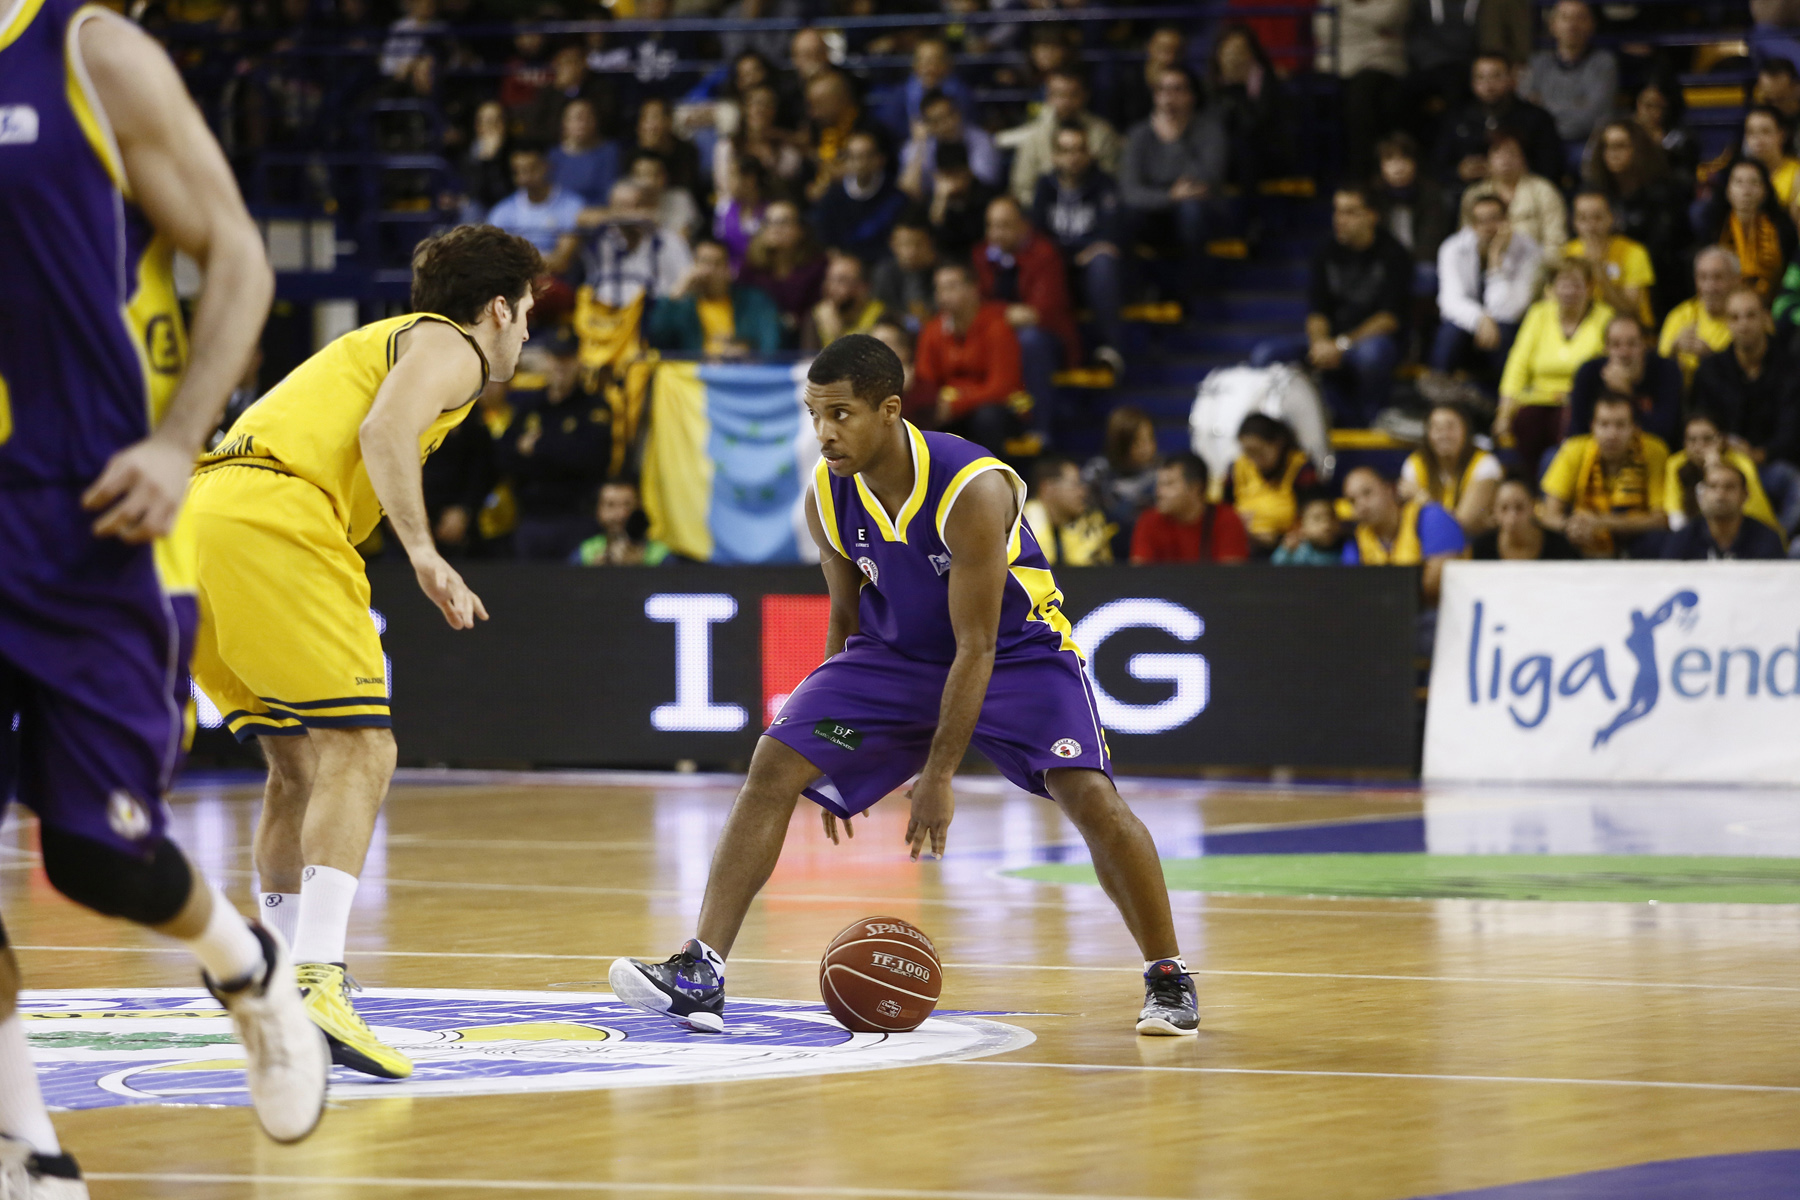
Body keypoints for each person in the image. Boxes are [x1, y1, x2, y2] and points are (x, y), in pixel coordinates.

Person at [609, 335, 1201, 1036]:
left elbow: (977, 645)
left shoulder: (970, 488)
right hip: (896, 657)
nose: (824, 433)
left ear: (889, 410)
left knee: (1090, 798)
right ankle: (700, 971)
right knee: (774, 763)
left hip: (1016, 654)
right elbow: (845, 616)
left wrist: (939, 775)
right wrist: (829, 751)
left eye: (841, 414)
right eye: (814, 415)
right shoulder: (827, 494)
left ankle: (1168, 976)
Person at [0, 0, 329, 1170]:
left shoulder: (85, 50)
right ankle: (28, 1151)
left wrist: (177, 440)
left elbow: (236, 254)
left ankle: (247, 970)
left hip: (86, 514)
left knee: (98, 856)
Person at [189, 225, 539, 1080]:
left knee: (297, 768)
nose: (527, 332)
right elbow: (386, 430)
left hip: (202, 515)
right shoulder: (449, 343)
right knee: (364, 747)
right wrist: (423, 552)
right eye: (528, 313)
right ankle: (317, 979)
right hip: (278, 514)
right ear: (497, 308)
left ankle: (277, 978)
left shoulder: (379, 342)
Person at [1251, 186, 1412, 425]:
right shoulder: (1325, 251)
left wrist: (1341, 345)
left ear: (1371, 216)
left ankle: (1371, 420)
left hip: (1371, 341)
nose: (1340, 219)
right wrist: (1320, 343)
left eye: (1350, 212)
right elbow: (1317, 311)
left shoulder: (1394, 254)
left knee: (1373, 354)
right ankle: (1282, 427)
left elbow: (1389, 318)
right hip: (1332, 341)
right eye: (1337, 211)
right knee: (1266, 354)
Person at [498, 328, 615, 558]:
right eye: (555, 358)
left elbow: (591, 459)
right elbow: (504, 455)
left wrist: (536, 448)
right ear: (546, 361)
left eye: (567, 359)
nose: (561, 366)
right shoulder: (530, 405)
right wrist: (560, 449)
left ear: (578, 363)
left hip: (576, 517)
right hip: (531, 516)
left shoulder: (593, 407)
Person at [1496, 256, 1612, 475]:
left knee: (1567, 429)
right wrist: (1504, 413)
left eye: (1576, 284)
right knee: (1524, 424)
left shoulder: (1605, 317)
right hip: (1536, 400)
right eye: (1563, 284)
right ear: (1553, 288)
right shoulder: (1538, 314)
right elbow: (1517, 365)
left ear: (1590, 287)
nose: (1569, 291)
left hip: (1580, 403)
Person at [1119, 66, 1228, 295]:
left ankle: (1194, 291)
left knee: (1191, 210)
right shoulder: (1139, 134)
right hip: (1154, 212)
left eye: (1177, 90)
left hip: (1199, 213)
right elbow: (1130, 191)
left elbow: (1206, 179)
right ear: (1155, 96)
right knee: (1125, 215)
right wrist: (1170, 195)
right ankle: (1142, 290)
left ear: (1192, 96)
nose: (1169, 98)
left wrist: (1175, 140)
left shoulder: (1209, 130)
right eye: (1163, 90)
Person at [1031, 122, 1127, 371]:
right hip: (1057, 267)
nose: (1072, 157)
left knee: (1103, 261)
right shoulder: (1045, 186)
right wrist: (1076, 253)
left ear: (1089, 153)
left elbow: (1110, 235)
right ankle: (1055, 352)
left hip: (1091, 272)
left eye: (1079, 150)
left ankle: (1109, 348)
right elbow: (1038, 236)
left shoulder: (1104, 184)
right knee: (1039, 260)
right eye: (1065, 150)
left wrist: (1075, 251)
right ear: (1055, 156)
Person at [974, 196, 1080, 418]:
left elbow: (1041, 312)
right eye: (991, 226)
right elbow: (975, 307)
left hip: (1048, 338)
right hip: (999, 333)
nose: (996, 233)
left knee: (1029, 339)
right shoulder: (981, 255)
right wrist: (1004, 314)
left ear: (1024, 225)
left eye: (1004, 226)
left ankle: (1041, 427)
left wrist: (994, 314)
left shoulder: (1044, 253)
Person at [915, 261, 1030, 456]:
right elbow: (925, 379)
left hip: (996, 408)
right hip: (950, 409)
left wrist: (956, 405)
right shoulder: (932, 331)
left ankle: (993, 473)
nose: (943, 295)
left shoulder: (996, 327)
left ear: (973, 289)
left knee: (988, 417)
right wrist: (933, 404)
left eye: (951, 287)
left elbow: (1002, 387)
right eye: (939, 289)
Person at [1582, 118, 1691, 316]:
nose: (1612, 153)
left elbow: (1662, 251)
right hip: (1606, 267)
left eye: (1620, 146)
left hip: (1651, 277)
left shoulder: (1662, 193)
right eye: (1607, 147)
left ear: (1639, 149)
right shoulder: (1596, 192)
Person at [1538, 394, 1670, 557]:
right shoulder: (1574, 450)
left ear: (1635, 428)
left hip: (1635, 538)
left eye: (1620, 425)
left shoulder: (1654, 451)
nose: (1612, 434)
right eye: (1604, 424)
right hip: (1582, 538)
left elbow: (1661, 520)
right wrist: (1571, 527)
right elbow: (1549, 515)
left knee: (1658, 539)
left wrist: (1602, 523)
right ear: (1592, 426)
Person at [1432, 193, 1541, 385]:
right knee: (1450, 332)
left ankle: (1502, 394)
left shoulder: (1529, 250)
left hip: (1507, 325)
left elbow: (1511, 310)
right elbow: (1450, 301)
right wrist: (1481, 319)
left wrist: (1495, 261)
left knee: (1504, 331)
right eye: (1481, 221)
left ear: (1507, 219)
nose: (1488, 227)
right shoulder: (1452, 248)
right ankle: (1439, 389)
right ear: (1472, 225)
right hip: (1471, 322)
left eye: (1494, 219)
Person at [1691, 285, 1800, 474]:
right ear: (1726, 322)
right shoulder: (1711, 370)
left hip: (1775, 465)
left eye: (1750, 315)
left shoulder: (1791, 368)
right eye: (1735, 317)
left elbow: (1792, 432)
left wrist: (1756, 455)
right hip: (1722, 464)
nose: (1743, 324)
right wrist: (1724, 447)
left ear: (1765, 318)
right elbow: (1701, 419)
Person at [1436, 54, 1568, 191]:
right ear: (1472, 82)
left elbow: (1552, 167)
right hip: (1469, 192)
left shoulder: (1536, 118)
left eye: (1496, 76)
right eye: (1481, 77)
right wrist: (1459, 171)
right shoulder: (1458, 119)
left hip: (1526, 192)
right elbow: (1439, 166)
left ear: (1512, 78)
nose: (1488, 85)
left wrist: (1514, 170)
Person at [1340, 466, 1466, 605]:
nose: (1361, 505)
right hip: (1385, 613)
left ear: (1388, 490)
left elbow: (1435, 585)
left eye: (1367, 493)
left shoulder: (1431, 517)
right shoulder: (1355, 540)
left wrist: (1378, 590)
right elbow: (1352, 591)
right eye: (1352, 501)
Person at [1004, 67, 1123, 206]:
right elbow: (1022, 188)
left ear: (1085, 95)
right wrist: (1044, 207)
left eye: (1073, 94)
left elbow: (1111, 184)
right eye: (1059, 95)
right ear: (1048, 97)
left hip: (1092, 210)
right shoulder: (1034, 137)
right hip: (1042, 211)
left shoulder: (1103, 134)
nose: (1066, 102)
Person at [648, 236, 782, 359]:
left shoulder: (754, 301)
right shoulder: (682, 306)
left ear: (728, 269)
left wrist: (748, 350)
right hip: (695, 373)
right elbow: (657, 339)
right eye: (704, 262)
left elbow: (772, 342)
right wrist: (677, 292)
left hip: (741, 371)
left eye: (717, 264)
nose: (709, 270)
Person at [1564, 314, 1683, 447]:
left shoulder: (1666, 370)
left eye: (1632, 344)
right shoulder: (1588, 373)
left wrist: (1627, 393)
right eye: (1616, 345)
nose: (1624, 352)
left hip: (1651, 450)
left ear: (1644, 345)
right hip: (1596, 449)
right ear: (1605, 348)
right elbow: (1577, 432)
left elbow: (1664, 432)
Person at [1662, 409, 1784, 539]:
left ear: (1721, 439)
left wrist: (1714, 468)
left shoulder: (1741, 463)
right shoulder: (1675, 464)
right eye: (1692, 440)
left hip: (1750, 535)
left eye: (1707, 439)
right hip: (1697, 539)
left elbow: (1751, 511)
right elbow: (1675, 517)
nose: (1699, 446)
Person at [577, 179, 694, 310]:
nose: (631, 212)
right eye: (622, 206)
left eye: (637, 205)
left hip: (654, 310)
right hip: (608, 312)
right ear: (611, 207)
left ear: (649, 206)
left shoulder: (669, 240)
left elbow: (686, 281)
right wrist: (624, 218)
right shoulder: (602, 237)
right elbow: (581, 217)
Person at [1325, 0, 1408, 179]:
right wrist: (1371, 26)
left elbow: (1387, 16)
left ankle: (1362, 178)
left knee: (1362, 100)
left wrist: (1343, 10)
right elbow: (1323, 29)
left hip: (1381, 63)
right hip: (1333, 65)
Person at [1519, 0, 1617, 145]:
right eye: (1565, 18)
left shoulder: (1603, 63)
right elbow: (1524, 108)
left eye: (1580, 18)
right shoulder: (1538, 63)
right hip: (1541, 142)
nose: (1572, 25)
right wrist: (1577, 104)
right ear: (1553, 25)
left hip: (1585, 142)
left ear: (1592, 25)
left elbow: (1595, 116)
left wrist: (1544, 105)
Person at [1458, 131, 1568, 259]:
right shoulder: (1474, 194)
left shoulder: (1544, 191)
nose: (1505, 159)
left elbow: (1556, 240)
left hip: (1535, 263)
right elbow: (1465, 239)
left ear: (1523, 158)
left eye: (1511, 153)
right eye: (1498, 153)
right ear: (1487, 159)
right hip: (1483, 263)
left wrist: (1543, 268)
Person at [1220, 413, 1319, 554]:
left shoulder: (1301, 468)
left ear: (1278, 444)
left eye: (1258, 451)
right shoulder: (1237, 467)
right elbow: (1224, 509)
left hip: (1289, 548)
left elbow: (1313, 513)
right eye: (1247, 452)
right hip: (1243, 543)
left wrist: (1288, 537)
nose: (1253, 459)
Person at [1701, 158, 1797, 302]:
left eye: (1754, 183)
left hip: (1773, 301)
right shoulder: (1714, 226)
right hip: (1724, 302)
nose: (1746, 190)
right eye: (1739, 182)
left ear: (1765, 190)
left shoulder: (1783, 227)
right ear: (1727, 190)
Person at [1400, 403, 1502, 536]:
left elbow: (1463, 524)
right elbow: (1414, 524)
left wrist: (1422, 498)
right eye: (1437, 428)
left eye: (1450, 427)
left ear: (1466, 431)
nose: (1444, 435)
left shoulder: (1485, 464)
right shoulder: (1415, 463)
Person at [1130, 453, 1251, 564]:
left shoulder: (1226, 519)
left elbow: (1232, 576)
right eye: (1159, 485)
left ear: (1195, 488)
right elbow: (1139, 575)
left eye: (1169, 484)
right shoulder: (1149, 521)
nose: (1159, 492)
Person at [815, 130, 909, 267]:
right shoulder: (832, 197)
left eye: (866, 156)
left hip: (886, 263)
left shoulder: (896, 195)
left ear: (880, 158)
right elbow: (828, 242)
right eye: (853, 157)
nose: (860, 163)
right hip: (847, 264)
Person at [487, 143, 586, 271]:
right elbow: (493, 259)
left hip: (557, 280)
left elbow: (561, 262)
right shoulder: (502, 211)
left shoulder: (572, 205)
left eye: (531, 169)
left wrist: (515, 261)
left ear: (546, 166)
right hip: (516, 280)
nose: (525, 177)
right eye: (518, 171)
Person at [741, 199, 827, 345]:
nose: (776, 228)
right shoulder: (751, 268)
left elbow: (818, 308)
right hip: (760, 341)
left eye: (783, 222)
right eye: (769, 222)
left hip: (805, 340)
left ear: (800, 230)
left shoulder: (817, 267)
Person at [1662, 459, 1788, 559]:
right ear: (1702, 493)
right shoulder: (1683, 539)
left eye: (1729, 487)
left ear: (1745, 495)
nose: (1720, 495)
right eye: (1712, 486)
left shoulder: (1766, 539)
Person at [1565, 190, 1654, 326]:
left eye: (1597, 217)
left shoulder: (1634, 252)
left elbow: (1629, 311)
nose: (1591, 226)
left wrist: (1598, 268)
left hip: (1626, 329)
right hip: (1585, 329)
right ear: (1574, 222)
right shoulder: (1568, 253)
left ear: (1611, 218)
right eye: (1583, 218)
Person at [1084, 405, 1162, 554]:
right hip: (1105, 549)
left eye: (1150, 439)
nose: (1147, 447)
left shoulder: (1162, 474)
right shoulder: (1097, 472)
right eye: (1138, 442)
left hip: (1148, 552)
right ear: (1120, 444)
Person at [899, 87, 1001, 199]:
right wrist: (920, 145)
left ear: (959, 113)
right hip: (933, 204)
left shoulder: (981, 139)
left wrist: (950, 182)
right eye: (937, 120)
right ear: (927, 124)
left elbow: (986, 180)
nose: (946, 124)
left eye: (949, 115)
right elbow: (908, 189)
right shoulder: (920, 144)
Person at [1659, 246, 1739, 386]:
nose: (1710, 287)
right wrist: (1673, 350)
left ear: (1735, 280)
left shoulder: (1746, 317)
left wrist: (1711, 358)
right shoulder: (1680, 315)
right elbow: (1658, 372)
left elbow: (1748, 375)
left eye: (1718, 277)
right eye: (1703, 277)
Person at [876, 35, 975, 141]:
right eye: (923, 60)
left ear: (948, 64)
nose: (928, 67)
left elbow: (969, 123)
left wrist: (938, 129)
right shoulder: (901, 93)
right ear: (914, 64)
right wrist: (910, 131)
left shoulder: (961, 93)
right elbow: (889, 125)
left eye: (935, 60)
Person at [1372, 133, 1451, 265]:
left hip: (1420, 262)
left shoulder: (1431, 194)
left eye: (1404, 158)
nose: (1398, 167)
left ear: (1415, 163)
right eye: (1390, 159)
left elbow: (1430, 243)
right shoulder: (1372, 196)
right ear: (1380, 165)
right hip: (1385, 263)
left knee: (1426, 272)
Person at [1024, 454, 1116, 566]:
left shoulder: (1088, 523)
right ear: (1047, 488)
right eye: (1074, 485)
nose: (1082, 493)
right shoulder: (1021, 527)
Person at [1470, 475, 1581, 558]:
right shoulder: (1481, 549)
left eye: (1519, 507)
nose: (1512, 516)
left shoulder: (1560, 547)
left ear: (1532, 506)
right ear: (1494, 510)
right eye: (1504, 508)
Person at [926, 142, 1001, 263]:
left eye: (956, 174)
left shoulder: (986, 196)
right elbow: (936, 241)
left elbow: (979, 236)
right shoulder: (935, 200)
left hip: (985, 258)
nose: (952, 182)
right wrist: (940, 202)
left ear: (967, 172)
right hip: (951, 262)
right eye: (946, 175)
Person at [572, 478, 671, 565]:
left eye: (627, 505)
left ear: (639, 509)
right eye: (610, 505)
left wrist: (640, 568)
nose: (620, 514)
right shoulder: (585, 554)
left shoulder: (661, 556)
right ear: (597, 510)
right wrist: (593, 573)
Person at [803, 251, 885, 351]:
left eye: (841, 280)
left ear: (863, 287)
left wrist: (838, 336)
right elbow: (809, 359)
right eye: (829, 279)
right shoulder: (817, 317)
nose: (831, 287)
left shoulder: (881, 316)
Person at [548, 97, 621, 207]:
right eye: (577, 118)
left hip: (594, 212)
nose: (583, 123)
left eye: (588, 118)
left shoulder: (609, 152)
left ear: (596, 122)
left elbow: (608, 194)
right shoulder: (553, 155)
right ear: (564, 122)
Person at [871, 214, 938, 332]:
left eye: (918, 244)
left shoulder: (943, 273)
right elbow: (881, 313)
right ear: (892, 244)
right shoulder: (884, 273)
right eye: (905, 244)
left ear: (930, 243)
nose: (911, 252)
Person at [713, 154, 769, 273]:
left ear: (750, 179)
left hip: (763, 275)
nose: (727, 182)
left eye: (732, 175)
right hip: (730, 276)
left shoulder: (770, 212)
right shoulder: (723, 208)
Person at [629, 151, 700, 241]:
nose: (648, 182)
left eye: (654, 175)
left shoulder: (680, 198)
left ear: (664, 176)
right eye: (641, 175)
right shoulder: (622, 199)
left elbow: (682, 240)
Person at [1271, 491, 1346, 564]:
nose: (1326, 525)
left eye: (1332, 517)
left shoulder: (1346, 549)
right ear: (1301, 525)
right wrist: (1286, 549)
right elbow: (1276, 565)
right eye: (1317, 519)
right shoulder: (1299, 553)